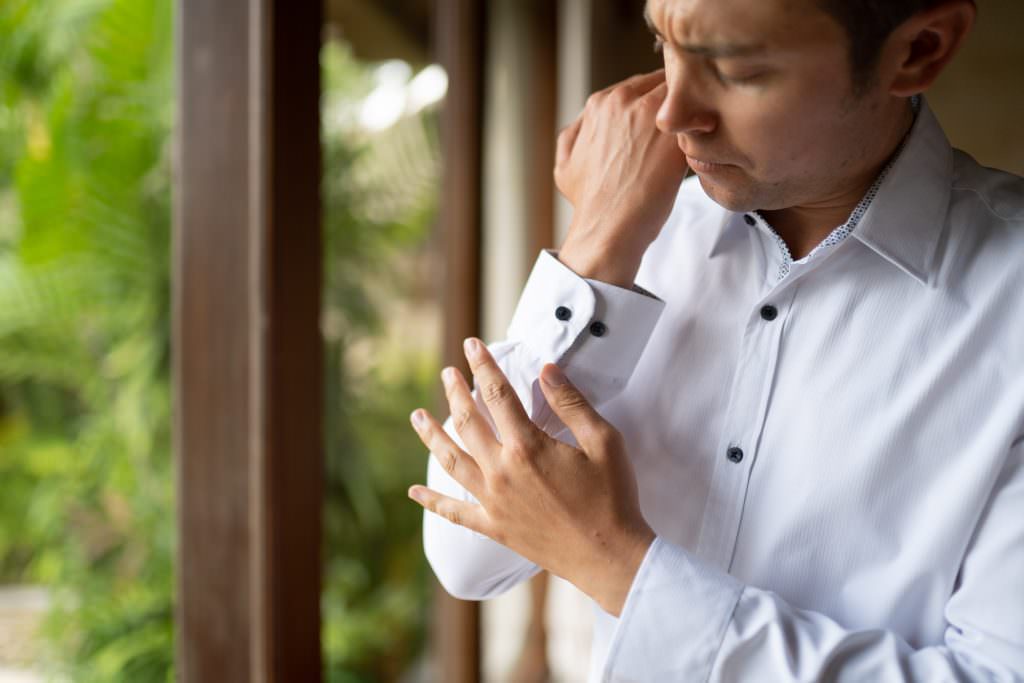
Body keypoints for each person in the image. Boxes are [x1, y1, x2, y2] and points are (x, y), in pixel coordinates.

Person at [408, 0, 1024, 679]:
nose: (672, 112)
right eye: (663, 43)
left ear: (920, 51)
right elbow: (468, 555)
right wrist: (593, 246)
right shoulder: (639, 221)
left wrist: (614, 563)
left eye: (735, 69)